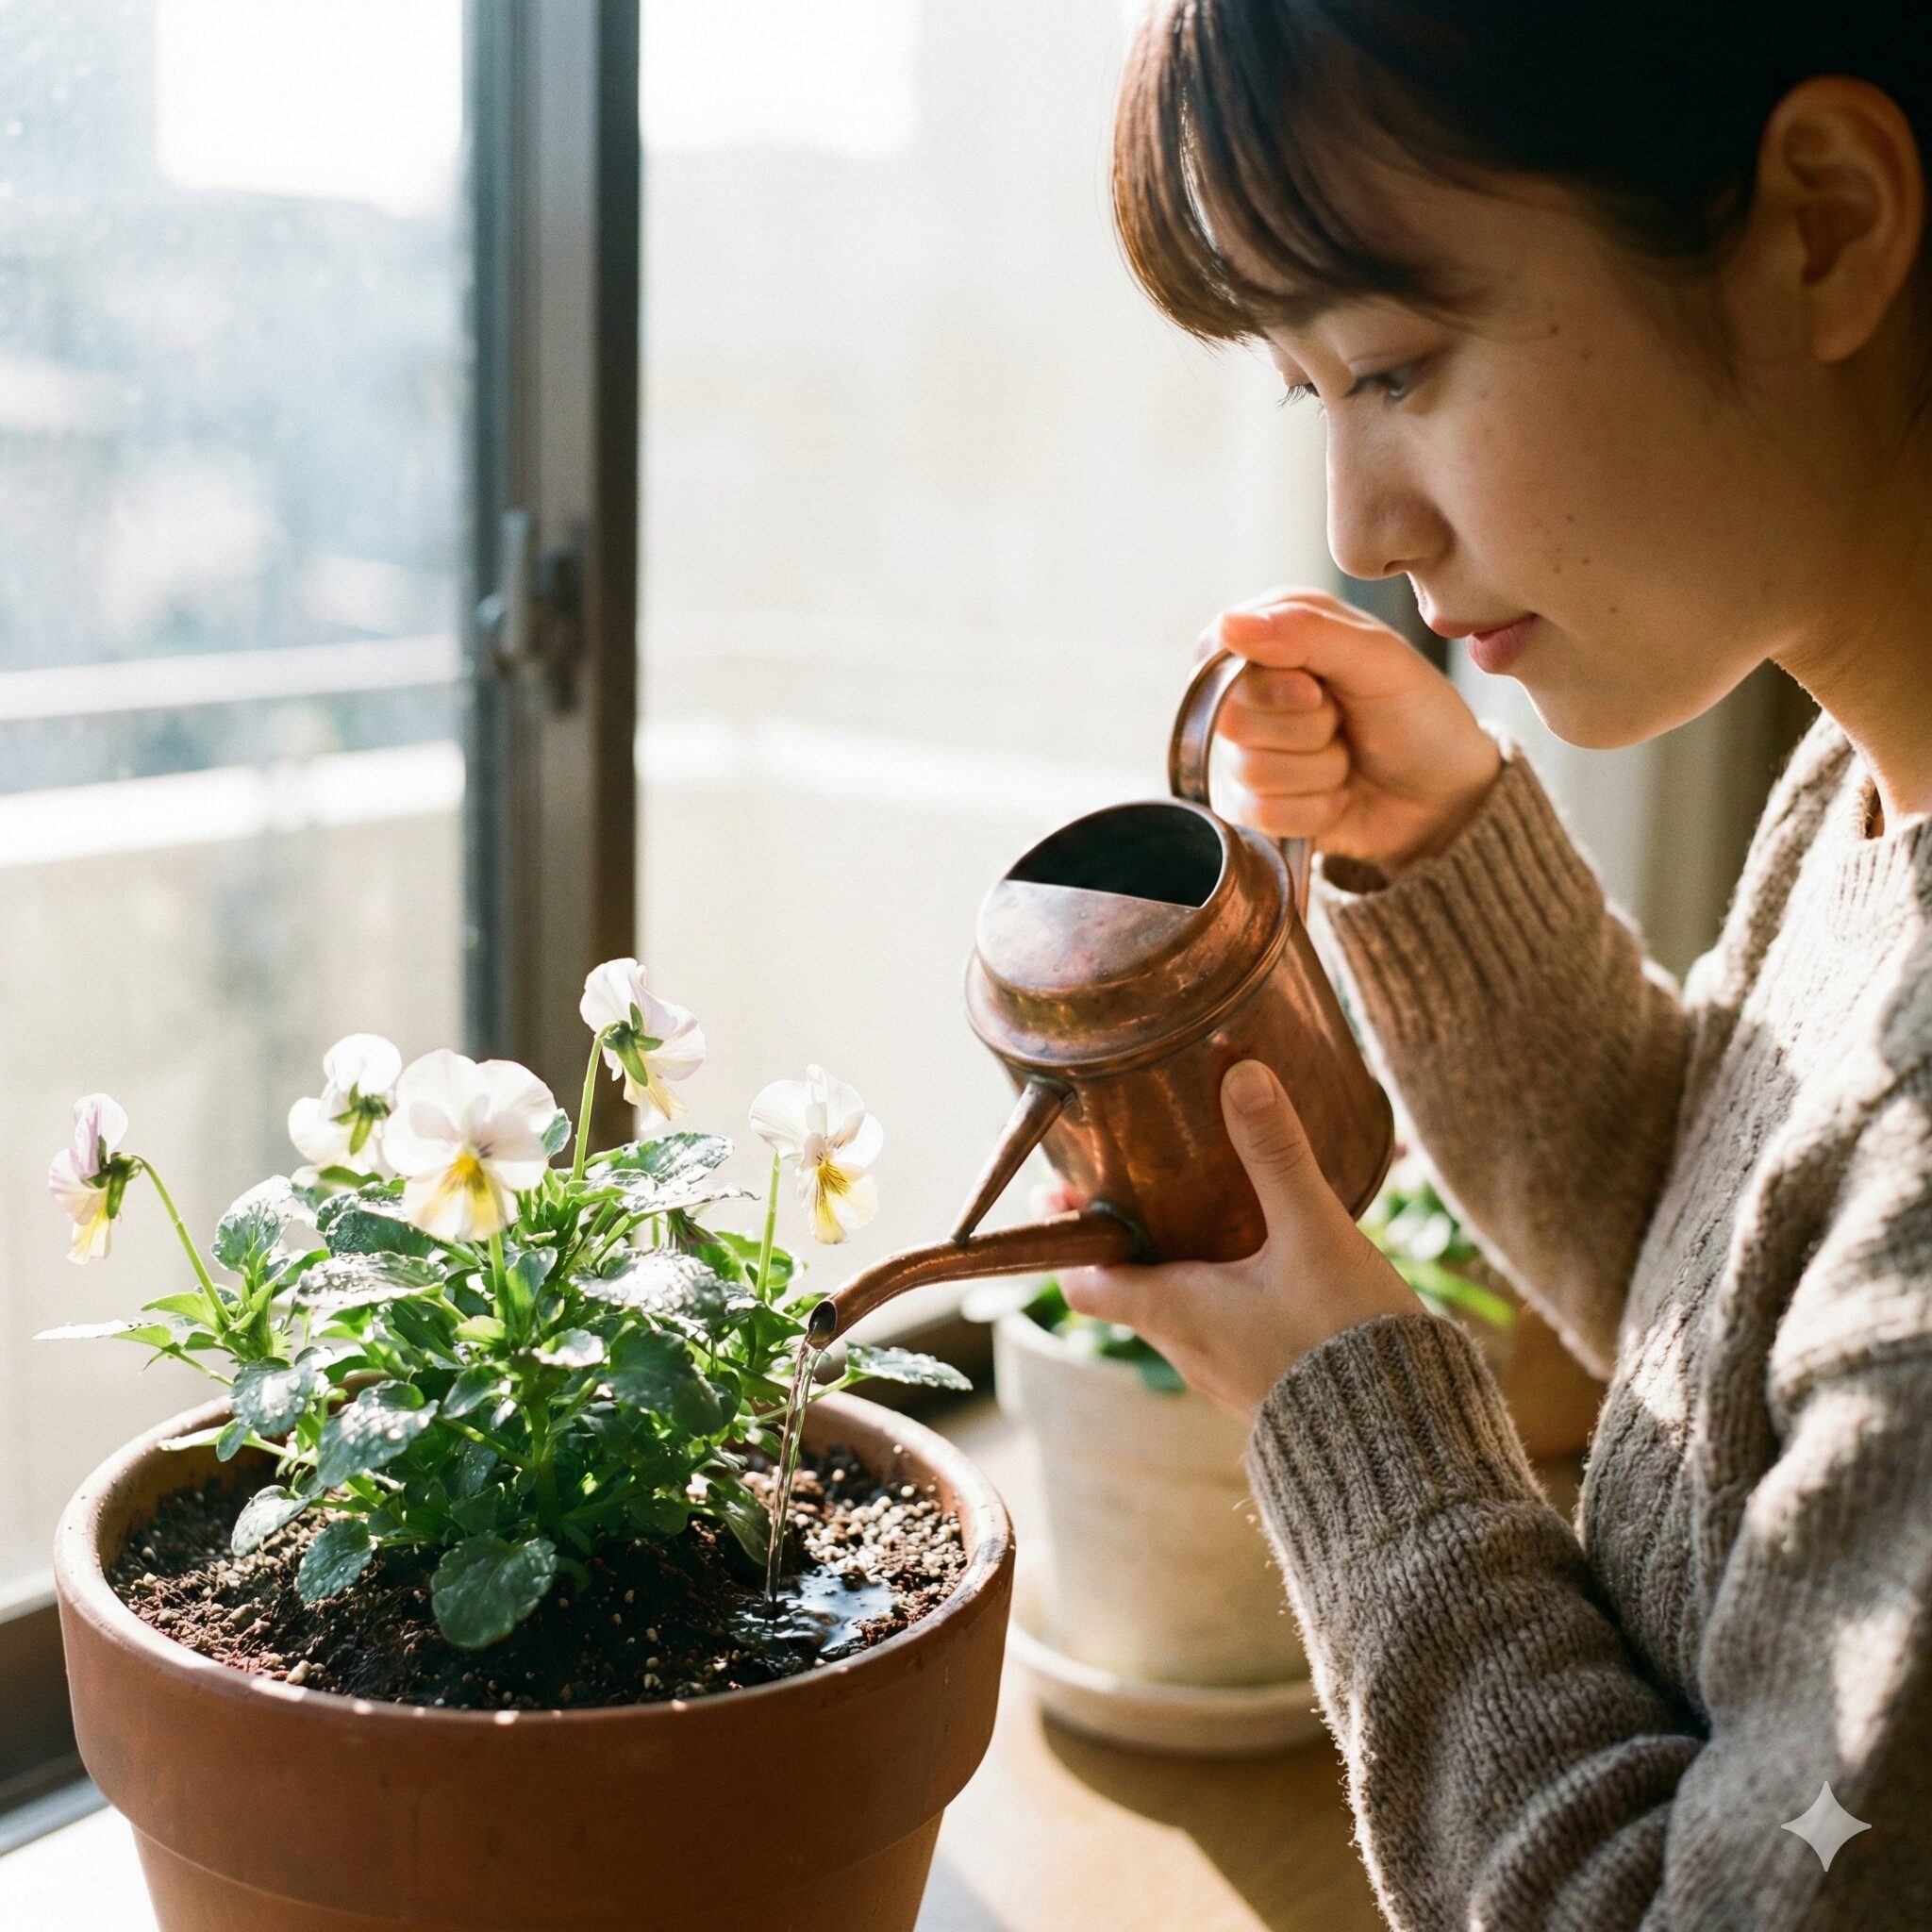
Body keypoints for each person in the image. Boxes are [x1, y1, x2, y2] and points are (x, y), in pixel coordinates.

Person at [1058, 4, 1932, 1925]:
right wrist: (1444, 854)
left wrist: (1348, 1415)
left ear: (1824, 224)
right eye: (1313, 396)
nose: (1357, 525)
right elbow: (1749, 1356)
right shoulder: (1871, 781)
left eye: (1394, 363)